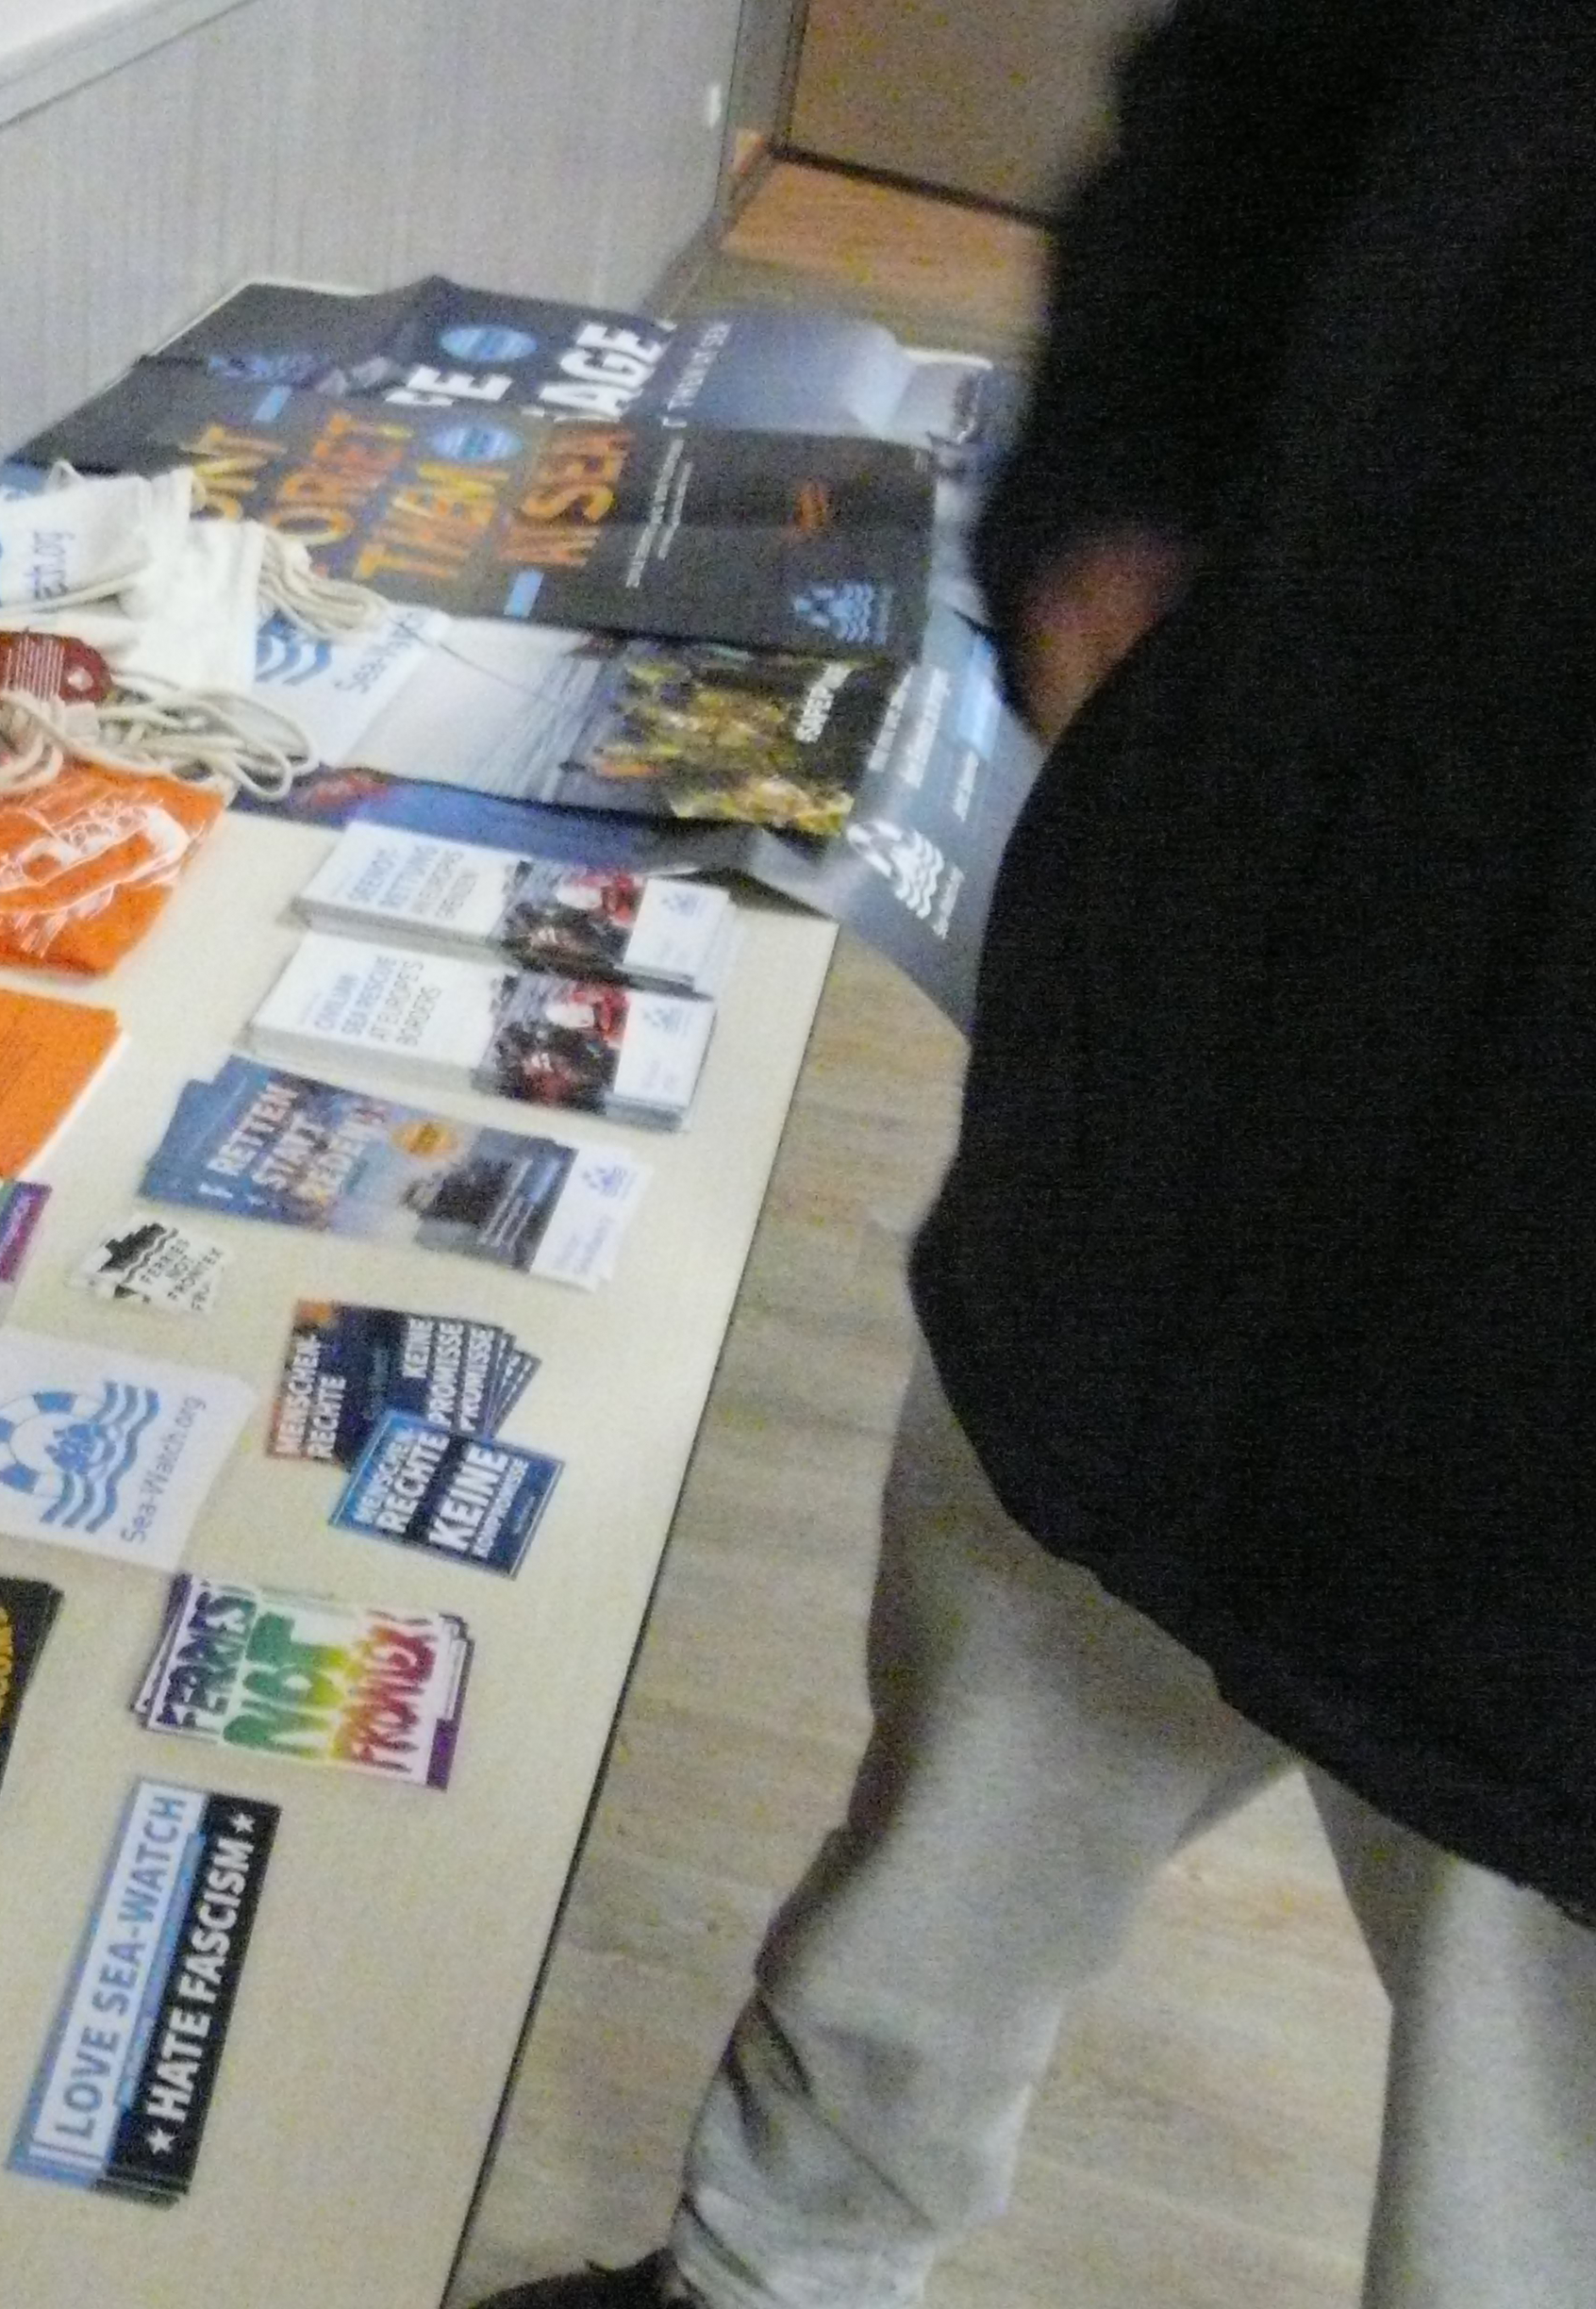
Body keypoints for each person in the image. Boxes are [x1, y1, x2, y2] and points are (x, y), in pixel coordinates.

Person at [476, 3, 1596, 2303]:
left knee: (1522, 2147)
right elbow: (1259, 94)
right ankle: (765, 2280)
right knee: (956, 1831)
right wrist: (1110, 504)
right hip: (1222, 1043)